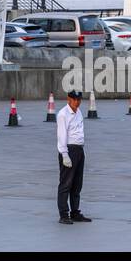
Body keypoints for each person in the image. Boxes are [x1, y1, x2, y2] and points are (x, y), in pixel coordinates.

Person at [55, 89, 91, 225]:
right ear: (68, 99)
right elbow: (61, 136)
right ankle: (63, 214)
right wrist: (64, 154)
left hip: (79, 149)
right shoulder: (63, 114)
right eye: (75, 99)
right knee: (66, 183)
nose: (77, 102)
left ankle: (75, 212)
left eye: (79, 100)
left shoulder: (79, 112)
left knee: (77, 184)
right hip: (69, 150)